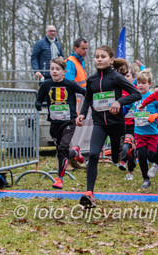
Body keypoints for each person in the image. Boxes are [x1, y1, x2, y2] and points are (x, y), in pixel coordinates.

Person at [76, 45, 141, 208]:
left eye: (103, 56)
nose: (99, 59)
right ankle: (89, 193)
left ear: (111, 60)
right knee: (93, 154)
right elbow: (88, 99)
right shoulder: (91, 80)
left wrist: (119, 102)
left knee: (116, 159)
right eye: (97, 56)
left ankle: (130, 148)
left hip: (116, 124)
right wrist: (82, 114)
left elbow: (136, 94)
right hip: (99, 124)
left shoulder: (116, 78)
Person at [35, 58, 85, 189]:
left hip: (69, 121)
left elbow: (85, 92)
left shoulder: (70, 84)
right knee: (61, 152)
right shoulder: (46, 84)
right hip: (54, 123)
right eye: (52, 69)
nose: (54, 71)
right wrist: (38, 104)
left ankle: (60, 179)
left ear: (64, 71)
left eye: (57, 69)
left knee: (63, 148)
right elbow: (39, 98)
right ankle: (75, 152)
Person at [123, 69, 158, 188]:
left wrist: (154, 116)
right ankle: (145, 178)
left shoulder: (153, 97)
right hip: (139, 132)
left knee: (151, 155)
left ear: (149, 84)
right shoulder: (134, 96)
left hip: (152, 132)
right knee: (142, 155)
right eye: (139, 83)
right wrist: (118, 116)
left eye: (144, 83)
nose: (141, 85)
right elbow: (126, 108)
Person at [64, 37, 89, 170]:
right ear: (75, 48)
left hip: (79, 100)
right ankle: (66, 163)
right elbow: (69, 82)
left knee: (73, 132)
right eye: (83, 48)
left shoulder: (80, 62)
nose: (85, 51)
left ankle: (73, 160)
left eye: (86, 49)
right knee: (68, 131)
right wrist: (84, 91)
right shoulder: (70, 62)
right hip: (71, 101)